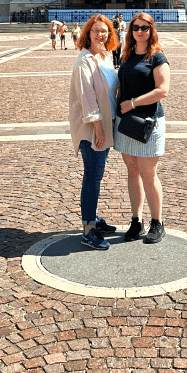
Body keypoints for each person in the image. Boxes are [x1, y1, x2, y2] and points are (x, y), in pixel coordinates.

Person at [115, 13, 170, 244]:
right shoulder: (126, 55)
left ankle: (157, 222)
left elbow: (163, 90)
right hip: (126, 123)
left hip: (148, 122)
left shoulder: (157, 57)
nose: (140, 31)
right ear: (130, 31)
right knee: (132, 172)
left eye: (145, 28)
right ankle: (136, 221)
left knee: (148, 173)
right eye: (136, 27)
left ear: (151, 31)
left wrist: (133, 103)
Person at [68, 14, 120, 250]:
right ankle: (88, 229)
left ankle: (94, 217)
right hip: (92, 129)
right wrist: (99, 128)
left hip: (105, 126)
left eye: (105, 31)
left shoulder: (104, 57)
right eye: (96, 31)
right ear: (87, 34)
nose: (101, 35)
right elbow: (88, 100)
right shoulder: (84, 61)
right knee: (92, 176)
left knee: (96, 175)